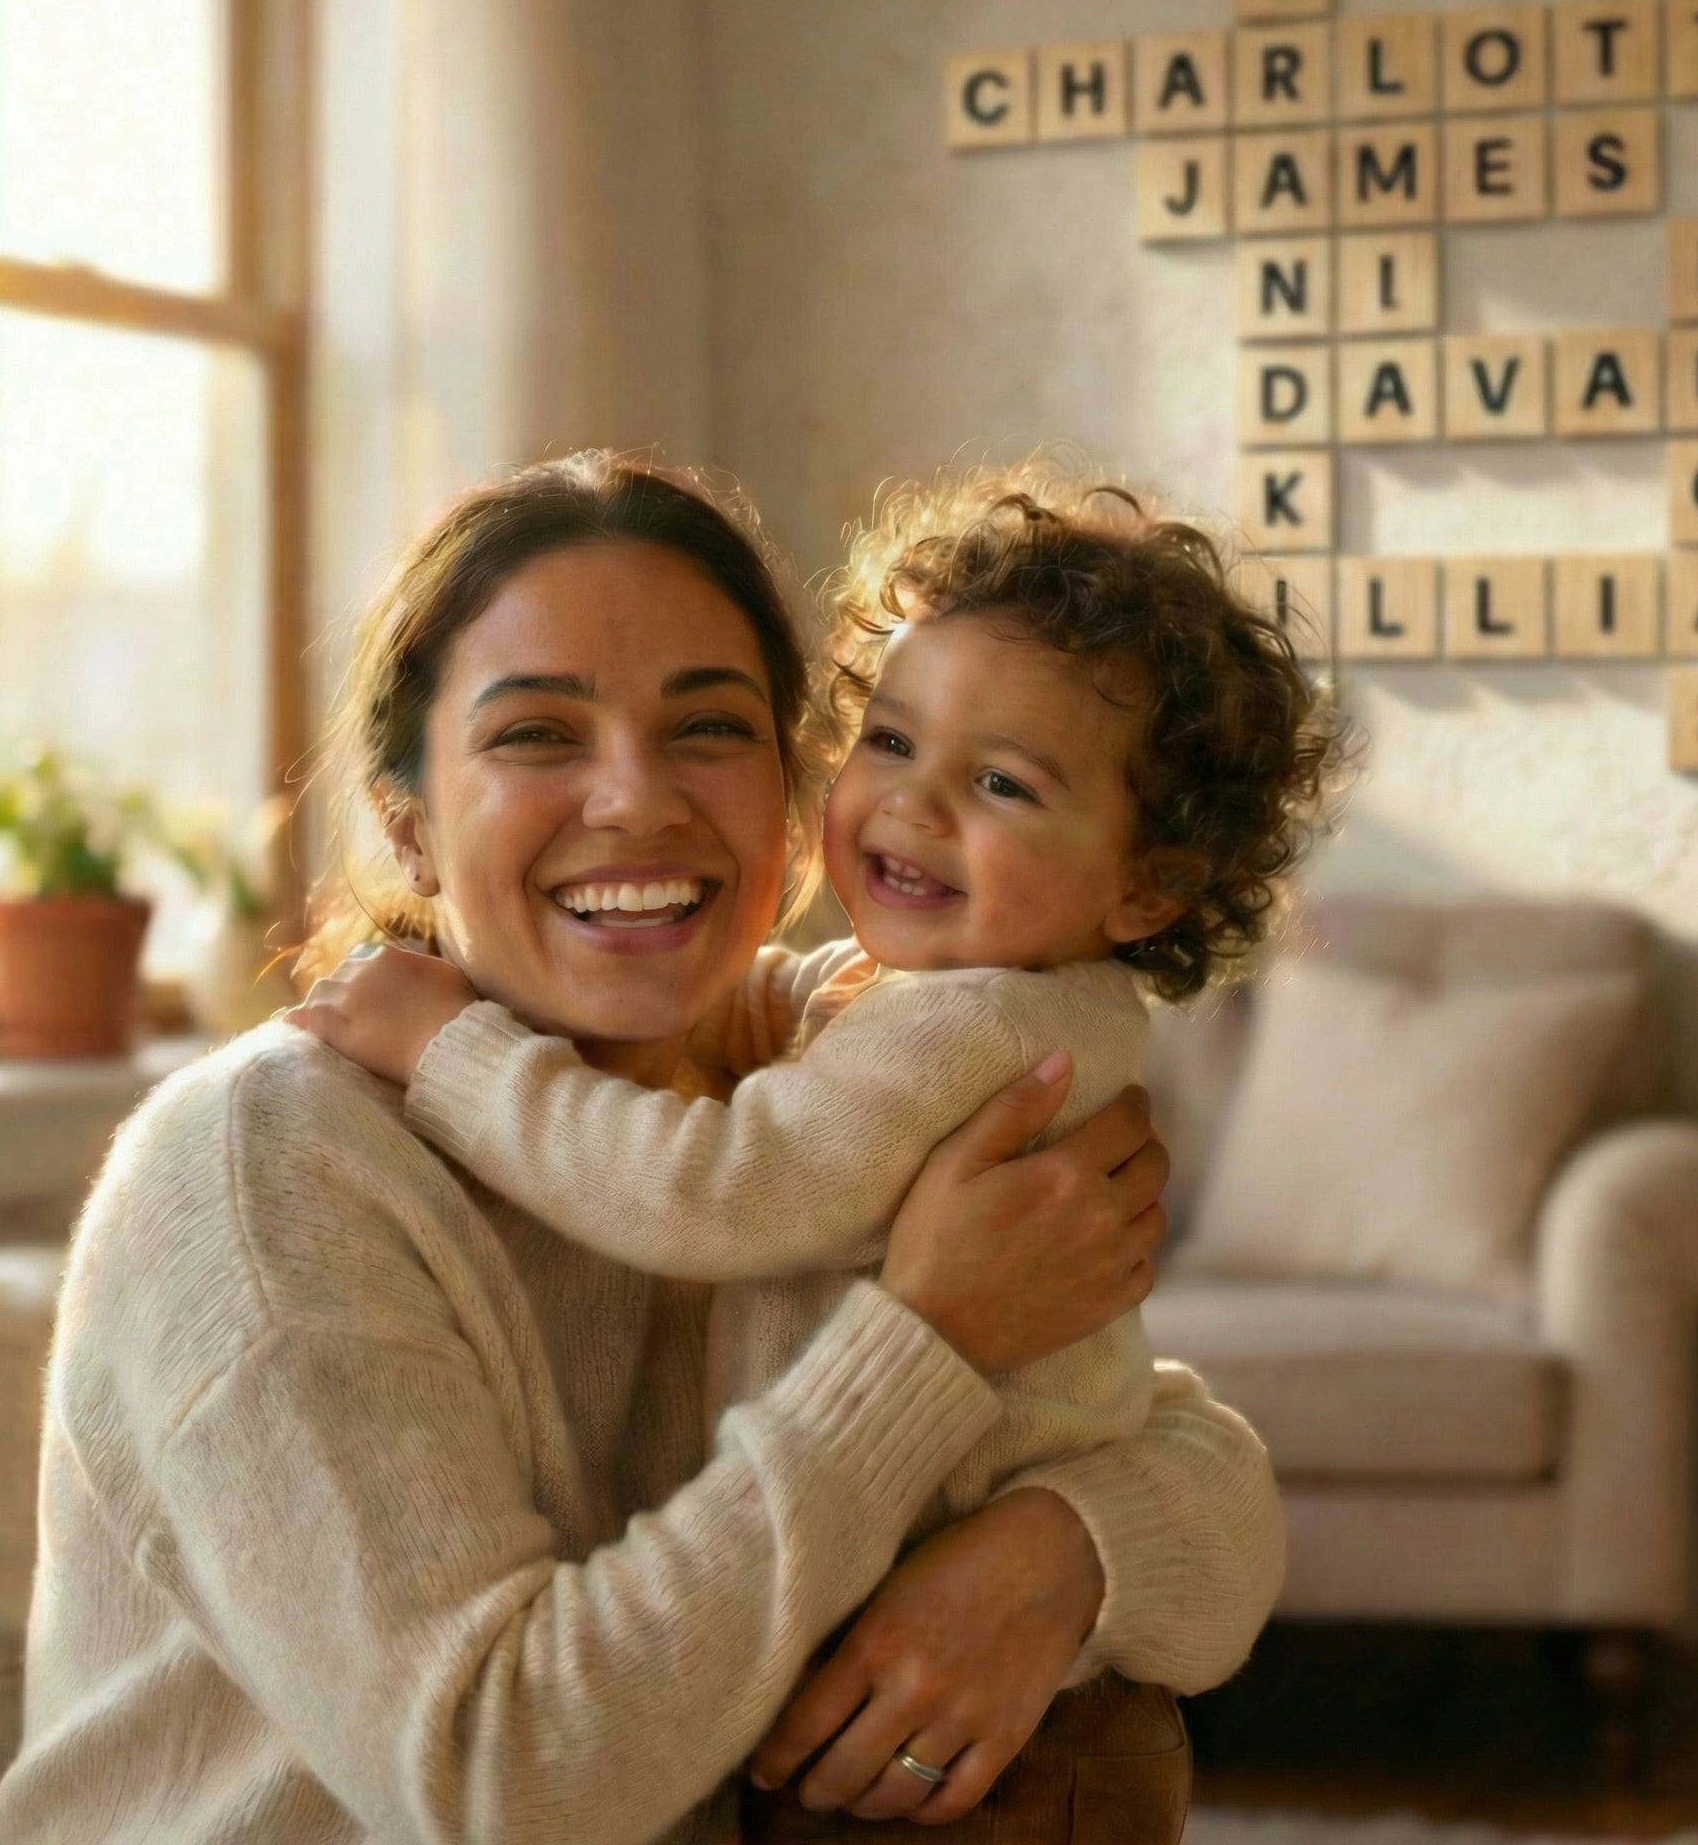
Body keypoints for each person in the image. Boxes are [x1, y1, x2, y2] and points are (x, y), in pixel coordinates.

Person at [0, 453, 1286, 1845]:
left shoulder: (770, 1080)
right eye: (537, 735)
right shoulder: (270, 1166)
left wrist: (1056, 1557)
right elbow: (504, 1782)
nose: (637, 801)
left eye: (712, 729)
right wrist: (931, 1339)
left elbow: (1213, 1495)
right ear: (408, 819)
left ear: (786, 787)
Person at [291, 470, 1341, 1639]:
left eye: (1001, 781)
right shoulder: (981, 997)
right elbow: (803, 1010)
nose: (915, 804)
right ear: (401, 816)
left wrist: (454, 1050)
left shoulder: (976, 1024)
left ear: (1148, 883)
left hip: (935, 1661)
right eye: (889, 740)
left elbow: (720, 1188)